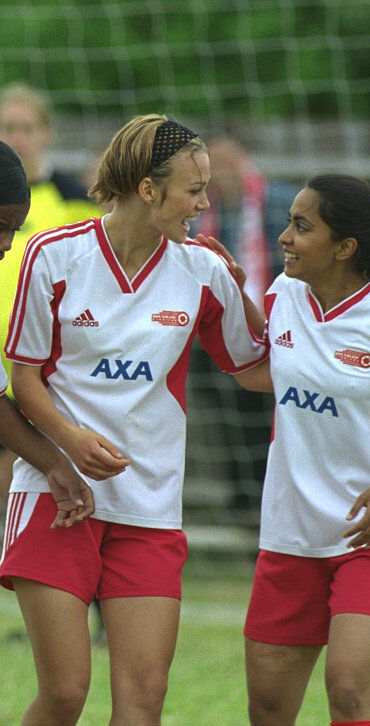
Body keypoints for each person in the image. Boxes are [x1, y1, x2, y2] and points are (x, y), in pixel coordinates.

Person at [0, 114, 268, 726]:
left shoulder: (201, 267)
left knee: (143, 702)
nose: (204, 203)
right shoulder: (54, 254)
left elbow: (253, 367)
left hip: (148, 506)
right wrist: (68, 443)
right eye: (193, 191)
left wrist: (246, 293)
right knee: (65, 693)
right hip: (56, 497)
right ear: (148, 190)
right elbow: (25, 380)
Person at [229, 174, 370, 725]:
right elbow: (259, 373)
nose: (285, 236)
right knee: (266, 709)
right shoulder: (282, 295)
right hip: (291, 531)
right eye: (288, 222)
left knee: (348, 688)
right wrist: (224, 286)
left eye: (301, 226)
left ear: (345, 247)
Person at [188, 135, 299, 517]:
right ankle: (244, 500)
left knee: (268, 416)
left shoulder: (280, 204)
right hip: (218, 331)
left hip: (274, 329)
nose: (222, 170)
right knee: (229, 415)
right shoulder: (200, 211)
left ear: (246, 158)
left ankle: (265, 501)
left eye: (228, 160)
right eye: (213, 162)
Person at [0, 82, 100, 506]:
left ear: (46, 133)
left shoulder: (75, 201)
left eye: (26, 127)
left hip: (35, 360)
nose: (7, 245)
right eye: (8, 126)